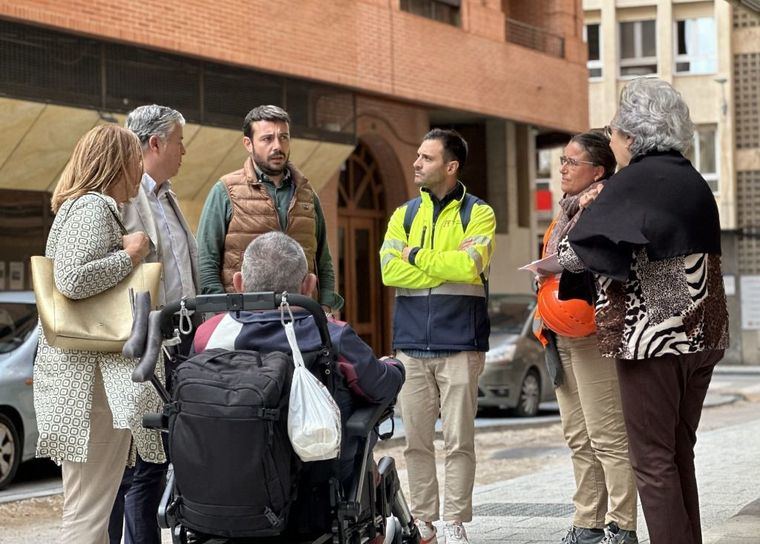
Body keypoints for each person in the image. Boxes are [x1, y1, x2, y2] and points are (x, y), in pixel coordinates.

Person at [558, 78, 729, 544]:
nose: (610, 140)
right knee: (676, 453)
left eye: (613, 131)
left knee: (652, 461)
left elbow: (583, 247)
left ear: (632, 136)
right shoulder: (690, 179)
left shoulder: (634, 182)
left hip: (655, 339)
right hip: (702, 336)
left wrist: (587, 207)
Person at [33, 124, 165, 543]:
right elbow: (71, 280)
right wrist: (128, 255)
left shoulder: (81, 208)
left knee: (91, 508)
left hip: (87, 385)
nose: (139, 169)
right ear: (118, 163)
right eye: (134, 159)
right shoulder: (91, 207)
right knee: (88, 514)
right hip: (90, 388)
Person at [192, 231, 404, 484]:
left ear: (239, 283)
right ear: (309, 285)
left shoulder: (209, 333)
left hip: (224, 479)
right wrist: (394, 366)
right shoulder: (331, 335)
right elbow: (380, 387)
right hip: (317, 485)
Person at [379, 128, 495, 544]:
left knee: (459, 441)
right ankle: (424, 521)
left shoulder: (479, 214)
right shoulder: (403, 215)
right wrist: (438, 262)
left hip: (461, 343)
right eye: (417, 156)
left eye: (426, 158)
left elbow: (468, 267)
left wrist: (414, 256)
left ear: (450, 166)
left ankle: (455, 522)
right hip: (411, 343)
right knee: (416, 443)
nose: (416, 163)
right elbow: (389, 271)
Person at [535, 131, 638, 544]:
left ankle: (622, 527)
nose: (561, 168)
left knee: (607, 436)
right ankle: (587, 523)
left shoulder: (605, 203)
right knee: (578, 437)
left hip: (595, 334)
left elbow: (593, 256)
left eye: (570, 162)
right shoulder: (566, 211)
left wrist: (553, 265)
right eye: (561, 160)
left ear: (597, 170)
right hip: (561, 334)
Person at [108, 105, 199, 544]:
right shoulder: (124, 197)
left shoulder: (168, 195)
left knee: (164, 463)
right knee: (142, 468)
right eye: (179, 140)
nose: (185, 149)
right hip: (145, 350)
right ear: (156, 143)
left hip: (181, 344)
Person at [196, 104, 343, 313]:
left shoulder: (307, 194)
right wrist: (223, 315)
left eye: (284, 137)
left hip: (302, 318)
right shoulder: (225, 191)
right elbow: (206, 261)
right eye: (267, 139)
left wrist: (325, 308)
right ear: (248, 143)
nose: (278, 146)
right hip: (245, 321)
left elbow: (323, 261)